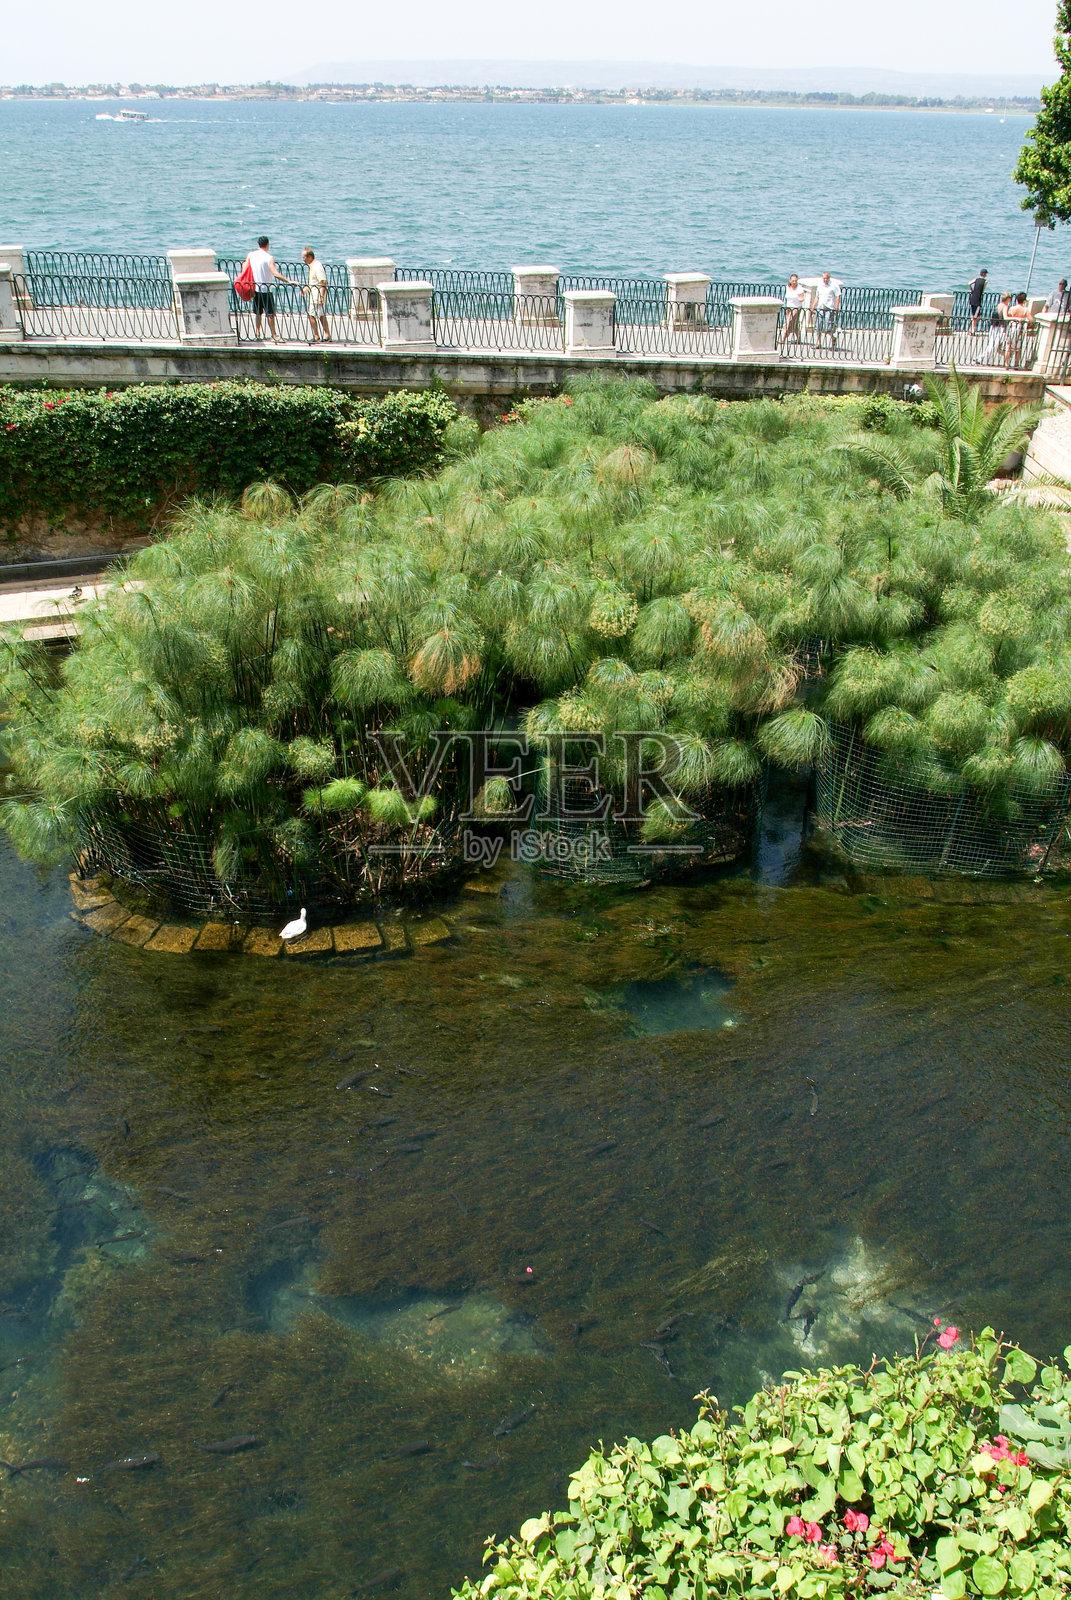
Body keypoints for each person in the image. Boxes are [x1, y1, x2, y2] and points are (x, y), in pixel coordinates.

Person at [241, 235, 292, 341]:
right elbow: (275, 273)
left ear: (258, 244)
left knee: (258, 313)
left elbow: (244, 267)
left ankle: (257, 332)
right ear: (267, 245)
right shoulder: (269, 258)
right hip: (266, 289)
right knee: (270, 313)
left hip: (256, 288)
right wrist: (288, 281)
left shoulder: (251, 255)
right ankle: (274, 335)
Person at [301, 247, 330, 342]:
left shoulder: (317, 266)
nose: (303, 259)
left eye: (304, 257)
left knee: (312, 315)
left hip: (316, 295)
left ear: (309, 257)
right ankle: (326, 335)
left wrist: (321, 296)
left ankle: (317, 335)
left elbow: (323, 281)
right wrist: (306, 288)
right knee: (320, 315)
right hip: (314, 294)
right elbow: (314, 281)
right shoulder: (312, 266)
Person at [1005, 291, 1034, 368]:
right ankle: (1016, 364)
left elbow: (1009, 316)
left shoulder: (1012, 308)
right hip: (1020, 329)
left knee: (1008, 347)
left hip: (1012, 327)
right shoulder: (1025, 310)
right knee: (1018, 349)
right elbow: (1031, 319)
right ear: (1024, 300)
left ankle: (1007, 364)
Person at [814, 270, 841, 346]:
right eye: (824, 278)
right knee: (818, 327)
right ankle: (818, 343)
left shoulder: (833, 285)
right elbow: (817, 296)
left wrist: (836, 308)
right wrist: (813, 307)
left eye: (827, 278)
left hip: (829, 308)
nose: (825, 280)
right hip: (820, 308)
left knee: (828, 328)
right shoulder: (820, 285)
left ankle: (833, 338)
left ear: (829, 278)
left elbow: (838, 296)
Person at [984, 292, 1011, 364]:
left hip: (993, 326)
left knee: (992, 344)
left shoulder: (999, 305)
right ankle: (983, 358)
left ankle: (986, 359)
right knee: (996, 344)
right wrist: (1015, 318)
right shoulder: (1005, 306)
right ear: (1008, 299)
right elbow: (1005, 317)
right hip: (999, 328)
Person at [784, 273, 806, 342]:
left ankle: (783, 337)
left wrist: (801, 299)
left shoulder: (799, 288)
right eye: (793, 281)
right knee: (795, 324)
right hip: (788, 307)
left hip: (796, 308)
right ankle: (798, 338)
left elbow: (802, 297)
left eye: (795, 281)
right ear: (790, 280)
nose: (794, 282)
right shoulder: (787, 287)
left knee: (788, 322)